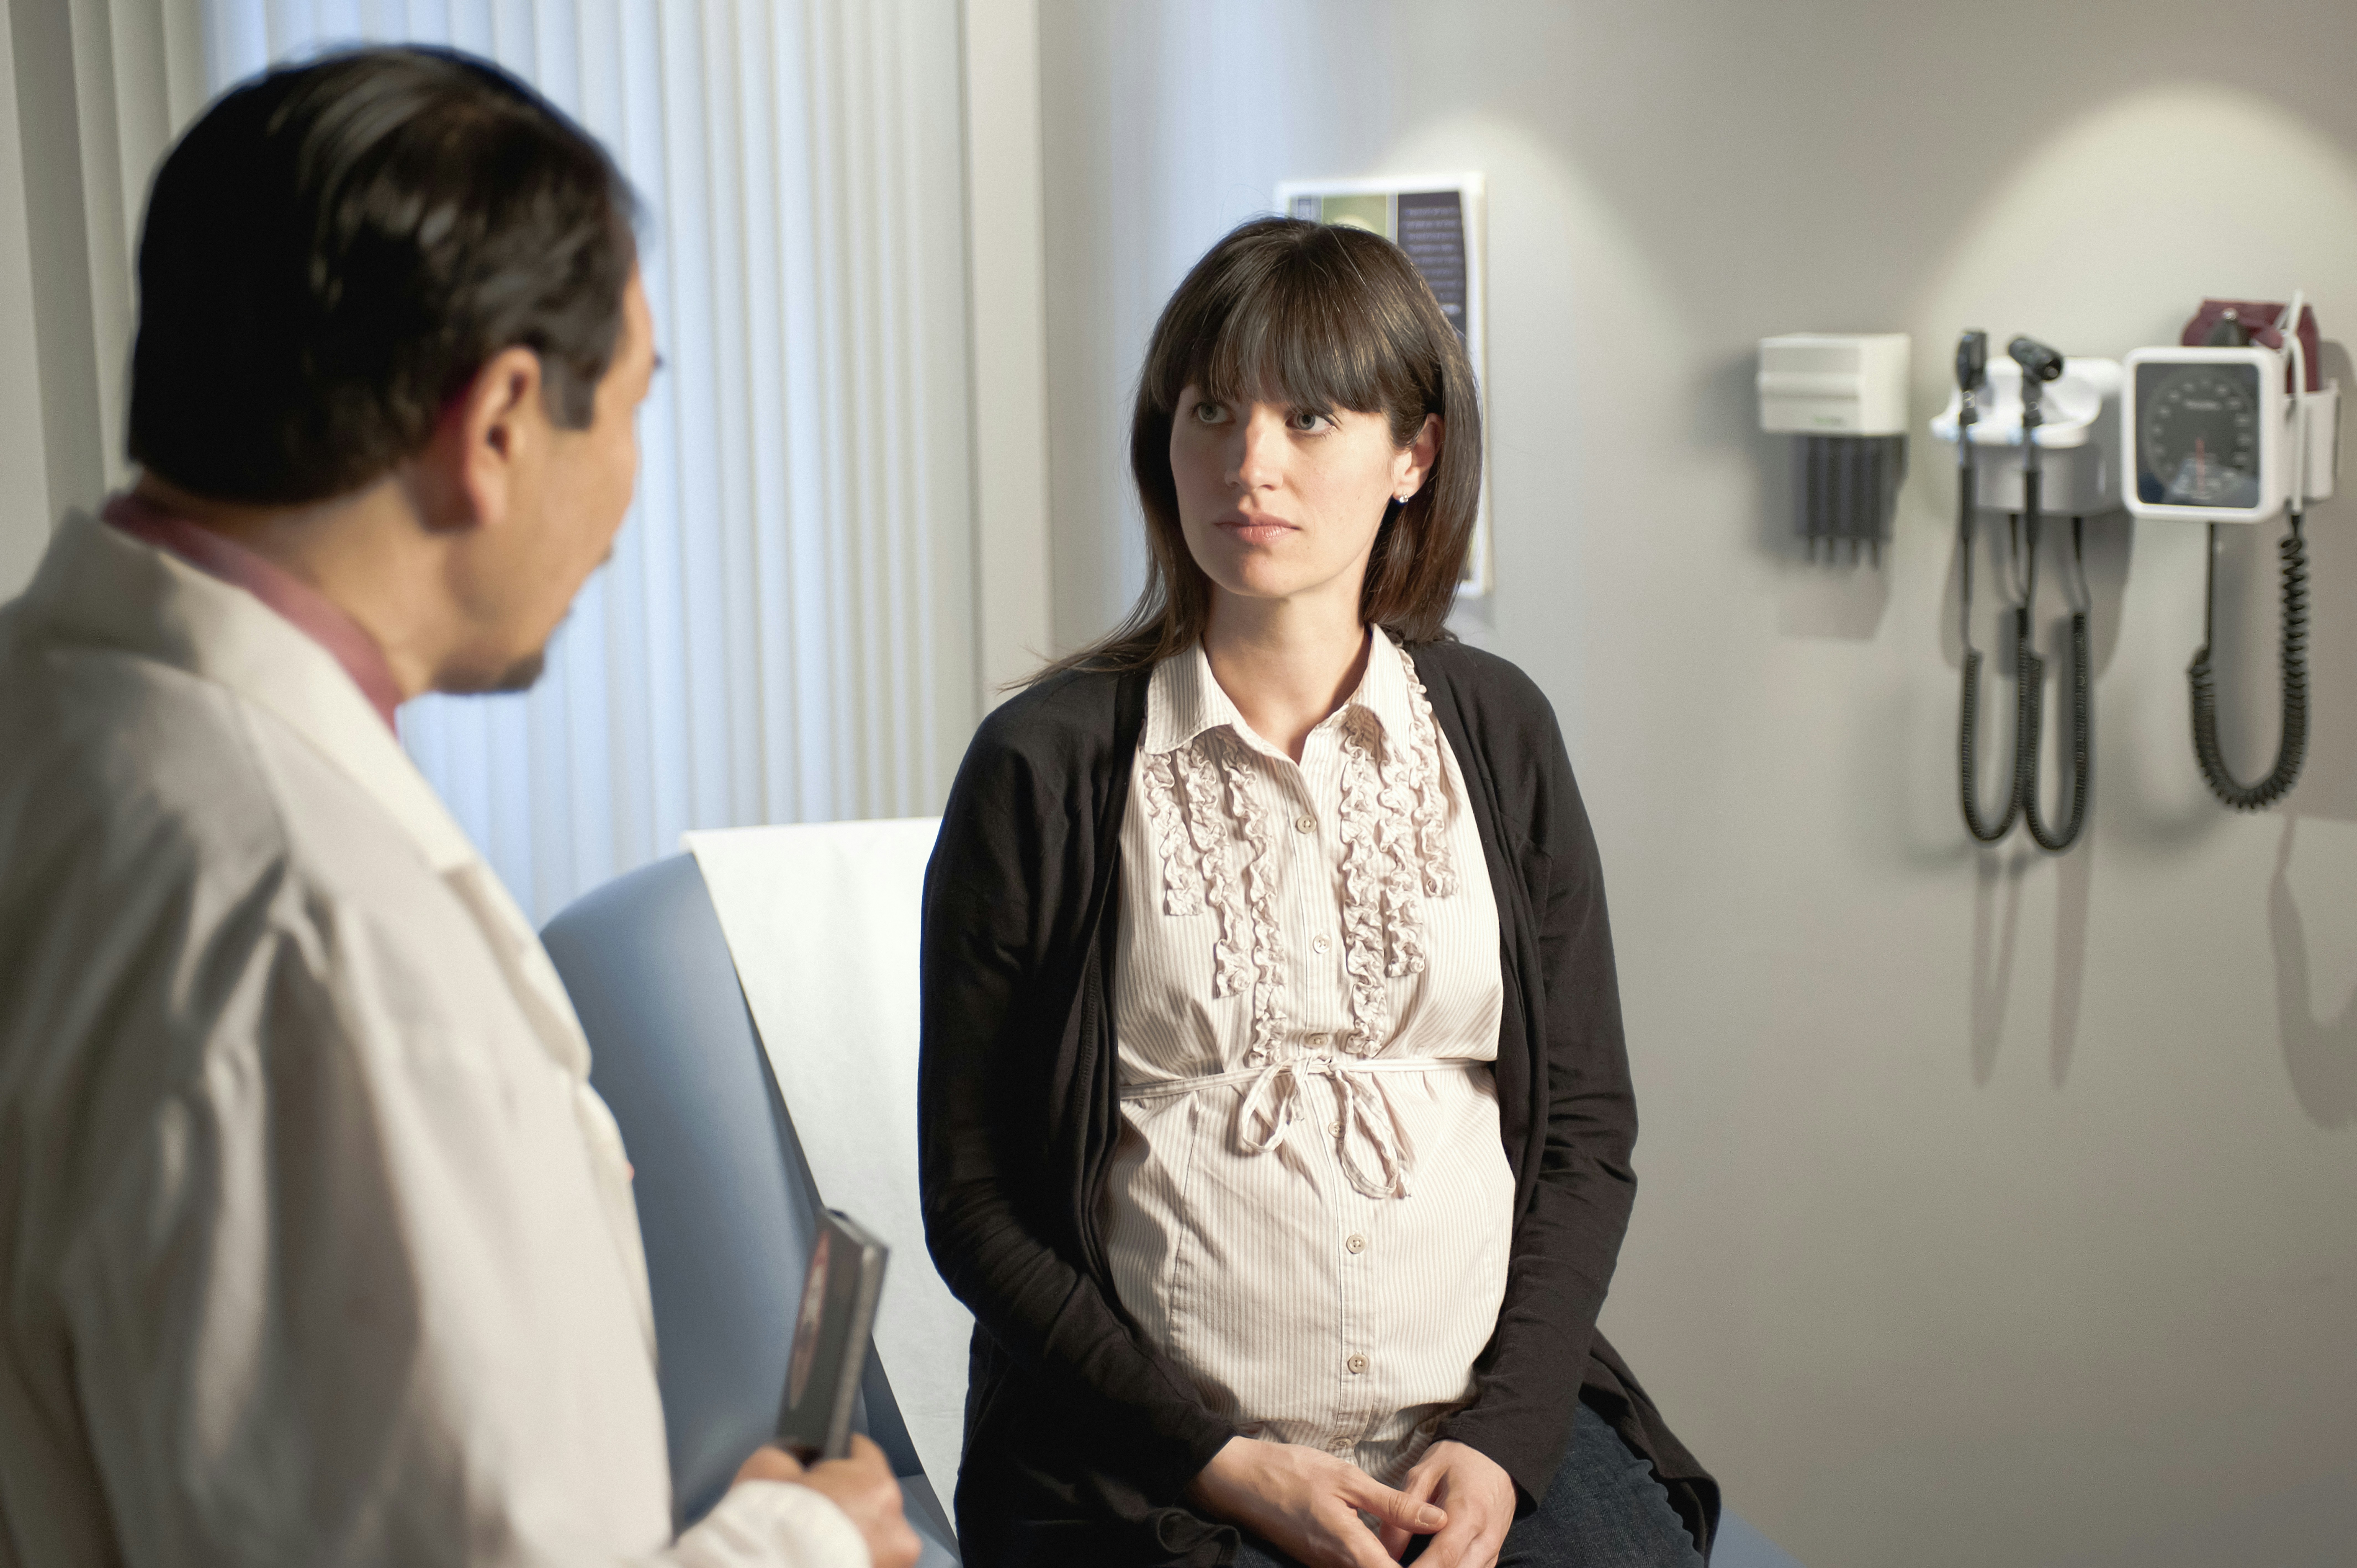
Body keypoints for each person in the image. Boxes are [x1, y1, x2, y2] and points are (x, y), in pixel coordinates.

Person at [0, 47, 917, 1568]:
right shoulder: (319, 940)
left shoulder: (59, 725)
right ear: (496, 423)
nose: (626, 501)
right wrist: (802, 1541)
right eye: (627, 410)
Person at [918, 217, 1717, 1568]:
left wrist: (1506, 1445)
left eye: (1311, 417)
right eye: (1212, 412)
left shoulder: (1498, 729)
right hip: (1151, 1466)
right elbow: (977, 1200)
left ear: (1414, 454)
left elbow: (1585, 1133)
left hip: (1470, 1434)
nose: (1250, 466)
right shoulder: (1043, 763)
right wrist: (1221, 1465)